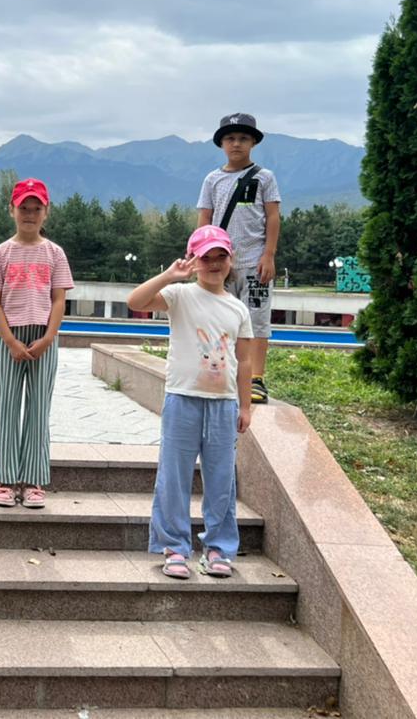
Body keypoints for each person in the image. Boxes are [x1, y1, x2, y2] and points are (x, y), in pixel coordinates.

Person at [128, 225, 253, 580]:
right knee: (174, 476)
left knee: (222, 479)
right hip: (182, 399)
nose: (213, 264)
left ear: (230, 259)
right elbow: (135, 302)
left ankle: (219, 548)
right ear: (193, 260)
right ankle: (174, 547)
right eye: (205, 257)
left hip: (223, 404)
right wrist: (170, 275)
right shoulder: (179, 295)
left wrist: (245, 406)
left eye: (220, 256)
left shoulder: (237, 309)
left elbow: (244, 361)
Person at [0, 178, 73, 509]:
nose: (29, 214)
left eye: (36, 208)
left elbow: (59, 299)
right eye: (24, 208)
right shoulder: (1, 253)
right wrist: (9, 340)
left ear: (46, 212)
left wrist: (48, 337)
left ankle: (34, 480)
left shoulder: (55, 253)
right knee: (7, 407)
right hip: (9, 337)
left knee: (38, 409)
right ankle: (5, 480)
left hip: (43, 338)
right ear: (12, 210)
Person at [196, 112, 280, 402]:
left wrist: (269, 254)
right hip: (221, 263)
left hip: (255, 263)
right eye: (230, 138)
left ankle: (256, 378)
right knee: (219, 318)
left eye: (243, 138)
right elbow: (205, 218)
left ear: (253, 142)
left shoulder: (265, 177)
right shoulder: (212, 180)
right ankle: (225, 371)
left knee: (257, 320)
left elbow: (273, 216)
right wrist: (198, 254)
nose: (236, 144)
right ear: (221, 143)